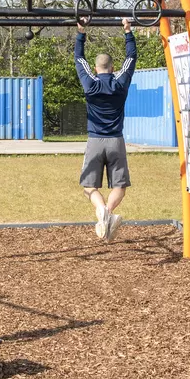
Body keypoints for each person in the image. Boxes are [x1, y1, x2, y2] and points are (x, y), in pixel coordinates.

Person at [75, 16, 137, 240]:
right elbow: (131, 58)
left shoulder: (90, 84)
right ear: (112, 67)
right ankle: (108, 213)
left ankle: (101, 210)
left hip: (94, 140)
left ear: (95, 68)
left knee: (88, 186)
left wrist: (81, 32)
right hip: (116, 141)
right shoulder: (120, 82)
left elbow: (78, 58)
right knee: (119, 185)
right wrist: (127, 30)